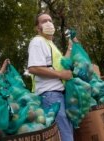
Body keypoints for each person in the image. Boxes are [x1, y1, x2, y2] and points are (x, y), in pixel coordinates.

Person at [27, 13, 73, 141]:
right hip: (50, 95)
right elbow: (33, 68)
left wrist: (69, 49)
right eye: (43, 21)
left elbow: (62, 64)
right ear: (38, 28)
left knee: (66, 132)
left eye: (50, 20)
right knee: (64, 134)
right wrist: (61, 74)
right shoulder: (37, 42)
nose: (48, 23)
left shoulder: (50, 44)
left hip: (57, 93)